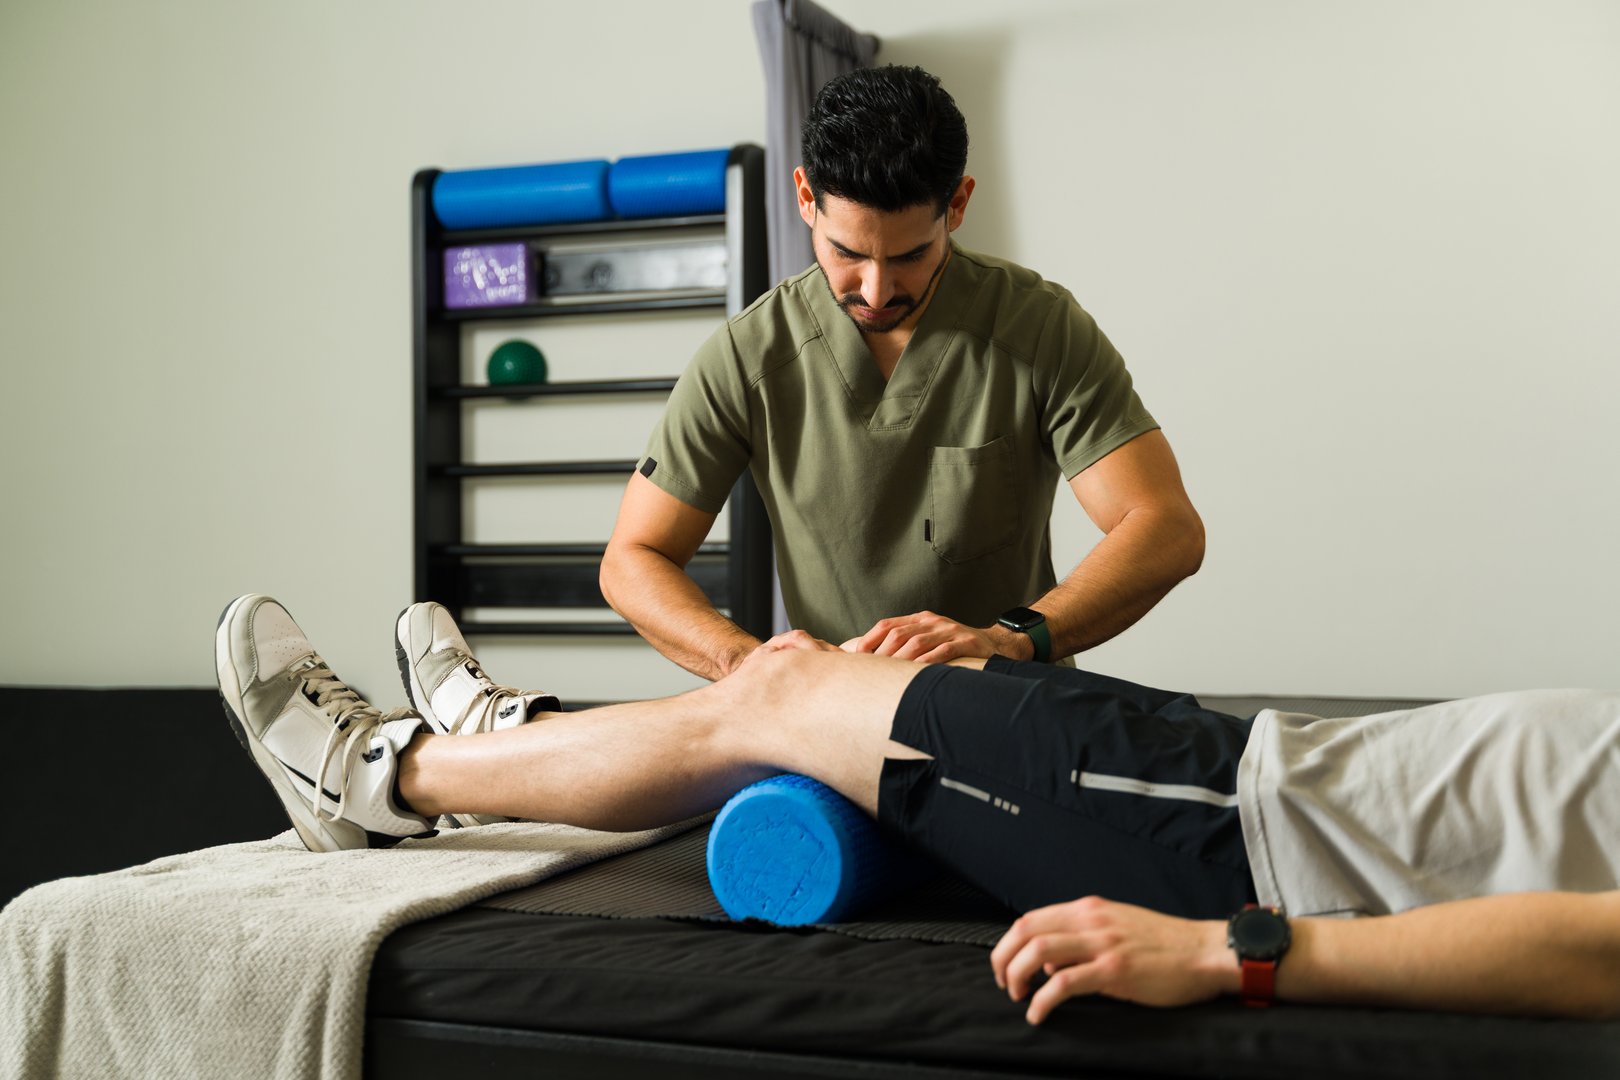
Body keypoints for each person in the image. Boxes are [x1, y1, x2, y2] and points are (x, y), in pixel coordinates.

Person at [219, 593, 1620, 1023]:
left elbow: (1603, 952)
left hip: (1236, 833)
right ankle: (499, 740)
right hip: (1242, 779)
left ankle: (382, 778)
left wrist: (1229, 949)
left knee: (781, 694)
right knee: (783, 679)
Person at [599, 65, 1206, 680]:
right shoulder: (748, 355)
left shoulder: (1040, 327)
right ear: (806, 198)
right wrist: (753, 666)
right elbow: (632, 557)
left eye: (911, 255)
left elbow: (1165, 527)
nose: (877, 289)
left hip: (1008, 702)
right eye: (847, 252)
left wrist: (1008, 640)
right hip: (833, 718)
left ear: (958, 203)